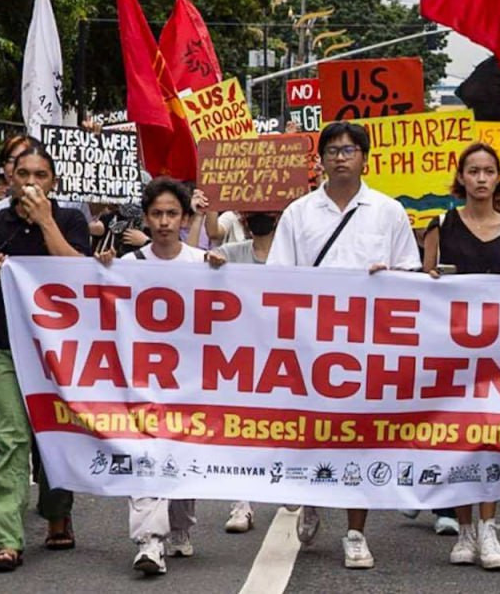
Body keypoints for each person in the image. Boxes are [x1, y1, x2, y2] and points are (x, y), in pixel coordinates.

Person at [268, 120, 421, 570]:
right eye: (332, 149)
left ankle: (356, 531)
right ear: (320, 159)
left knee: (362, 440)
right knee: (313, 435)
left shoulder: (388, 212)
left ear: (364, 158)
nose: (340, 156)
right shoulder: (298, 213)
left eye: (349, 149)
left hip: (368, 349)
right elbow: (279, 277)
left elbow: (410, 276)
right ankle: (313, 498)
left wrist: (386, 279)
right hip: (311, 346)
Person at [0, 145, 92, 573]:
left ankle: (57, 512)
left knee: (54, 435)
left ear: (53, 182)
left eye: (41, 175)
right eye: (23, 174)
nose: (31, 183)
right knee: (11, 437)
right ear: (9, 179)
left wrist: (44, 222)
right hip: (6, 347)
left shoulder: (71, 220)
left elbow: (79, 273)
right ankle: (6, 539)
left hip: (59, 354)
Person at [420, 143, 500, 571]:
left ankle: (488, 526)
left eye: (489, 171)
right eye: (474, 171)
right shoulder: (442, 226)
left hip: (498, 355)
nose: (482, 179)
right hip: (450, 353)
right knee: (458, 442)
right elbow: (422, 282)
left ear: (498, 177)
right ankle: (464, 527)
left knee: (491, 441)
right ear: (461, 177)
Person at [110, 178, 226, 576]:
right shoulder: (127, 266)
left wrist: (223, 276)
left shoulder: (201, 263)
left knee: (181, 454)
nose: (163, 222)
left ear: (184, 217)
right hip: (142, 379)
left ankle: (179, 528)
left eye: (171, 213)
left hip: (191, 381)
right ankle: (149, 541)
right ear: (145, 216)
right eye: (156, 214)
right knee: (146, 454)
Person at [205, 205, 281, 534]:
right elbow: (201, 251)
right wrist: (210, 259)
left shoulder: (295, 255)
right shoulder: (234, 253)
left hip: (283, 356)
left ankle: (289, 485)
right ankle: (241, 503)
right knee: (240, 428)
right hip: (241, 356)